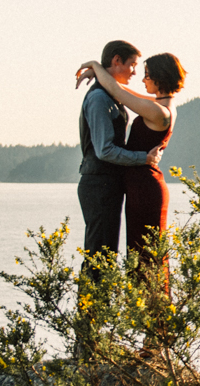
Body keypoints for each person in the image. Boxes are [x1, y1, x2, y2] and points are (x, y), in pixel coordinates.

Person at [75, 52, 185, 265]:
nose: (143, 80)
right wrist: (99, 74)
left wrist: (95, 65)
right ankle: (148, 298)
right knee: (141, 253)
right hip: (141, 185)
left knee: (144, 255)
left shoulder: (157, 111)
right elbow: (121, 89)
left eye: (147, 75)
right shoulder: (163, 104)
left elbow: (116, 90)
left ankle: (150, 297)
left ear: (159, 78)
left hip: (144, 188)